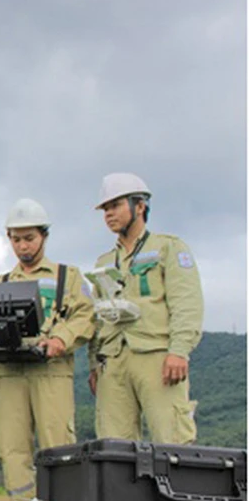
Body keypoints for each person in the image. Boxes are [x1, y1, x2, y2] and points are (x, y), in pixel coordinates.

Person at [0, 198, 94, 501]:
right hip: (9, 371)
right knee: (12, 447)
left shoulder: (67, 277)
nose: (23, 246)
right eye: (16, 239)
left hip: (51, 371)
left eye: (29, 238)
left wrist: (61, 339)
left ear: (44, 236)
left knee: (56, 445)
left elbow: (86, 316)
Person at [88, 173, 202, 443]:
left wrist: (179, 351)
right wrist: (94, 363)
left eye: (116, 205)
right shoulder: (104, 262)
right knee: (114, 445)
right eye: (105, 209)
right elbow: (97, 317)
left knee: (171, 438)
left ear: (139, 206)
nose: (109, 214)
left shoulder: (168, 248)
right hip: (113, 359)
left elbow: (186, 303)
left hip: (157, 355)